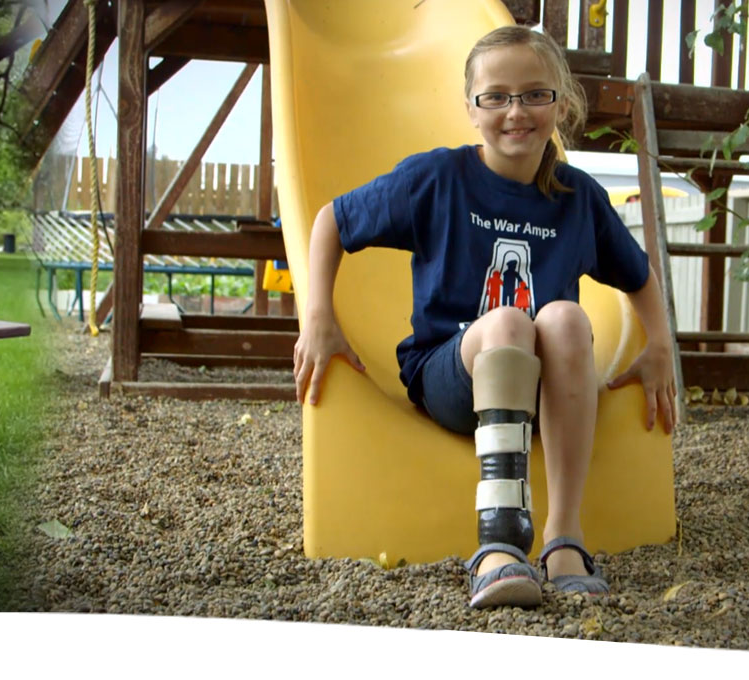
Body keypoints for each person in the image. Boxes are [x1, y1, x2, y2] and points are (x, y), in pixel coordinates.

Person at [287, 25, 682, 609]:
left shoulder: (577, 197)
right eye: (495, 96)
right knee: (507, 322)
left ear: (560, 102)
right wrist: (317, 316)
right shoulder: (438, 178)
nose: (515, 111)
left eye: (533, 94)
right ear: (471, 109)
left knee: (567, 320)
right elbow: (332, 222)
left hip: (545, 390)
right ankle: (498, 546)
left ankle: (564, 535)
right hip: (452, 375)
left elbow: (640, 277)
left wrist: (659, 346)